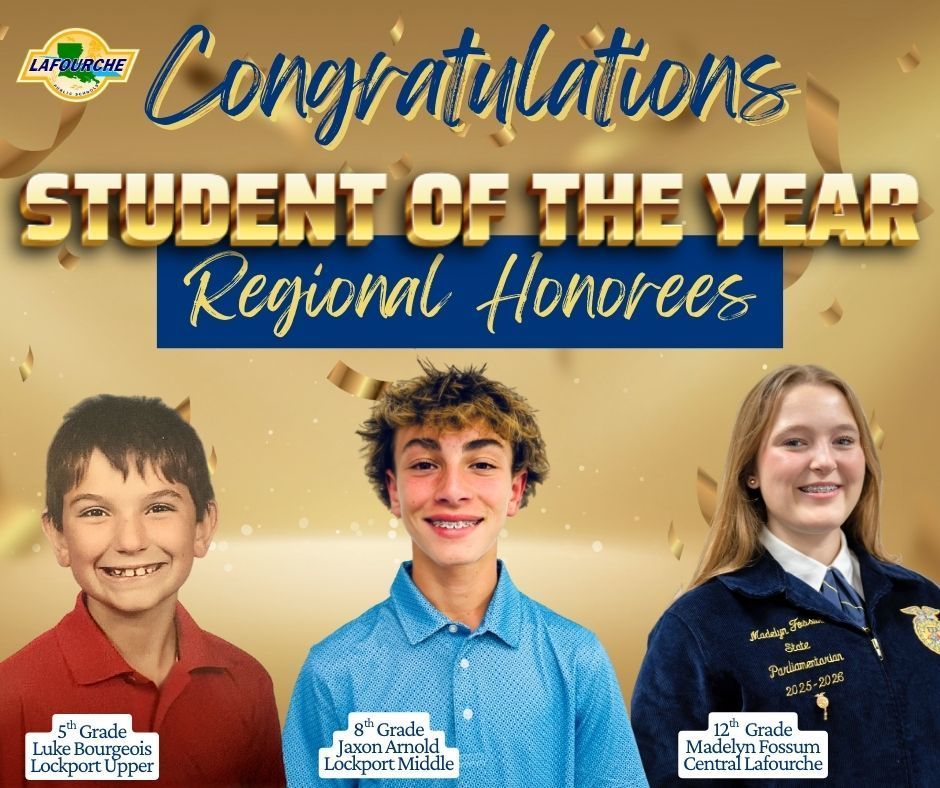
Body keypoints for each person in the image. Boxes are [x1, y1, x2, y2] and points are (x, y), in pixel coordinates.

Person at [283, 362, 648, 788]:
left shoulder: (577, 659)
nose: (453, 490)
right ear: (395, 490)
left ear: (515, 490)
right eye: (424, 464)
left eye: (482, 464)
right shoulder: (333, 670)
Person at [631, 364, 940, 787]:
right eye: (795, 442)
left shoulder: (922, 599)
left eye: (843, 440)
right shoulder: (698, 629)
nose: (824, 461)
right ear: (751, 471)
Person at [0, 395, 286, 787]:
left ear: (203, 526)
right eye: (95, 512)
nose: (131, 541)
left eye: (158, 508)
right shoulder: (11, 697)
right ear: (59, 537)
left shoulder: (247, 682)